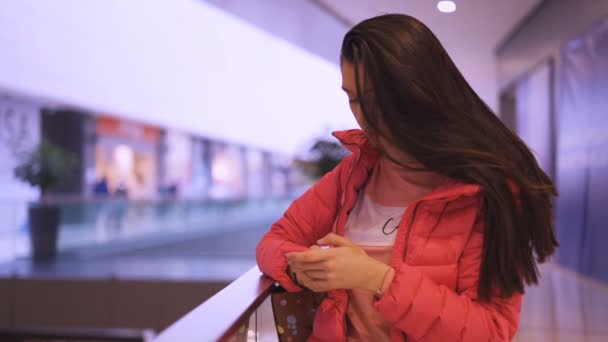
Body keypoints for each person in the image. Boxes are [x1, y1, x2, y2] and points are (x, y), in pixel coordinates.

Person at [256, 14, 558, 342]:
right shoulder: (354, 173)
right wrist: (300, 267)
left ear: (420, 91)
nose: (361, 114)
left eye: (373, 99)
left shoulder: (487, 192)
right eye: (352, 98)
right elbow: (273, 242)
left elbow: (490, 331)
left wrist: (379, 279)